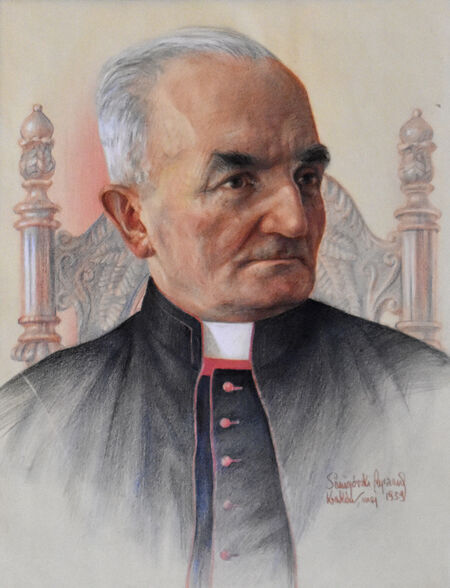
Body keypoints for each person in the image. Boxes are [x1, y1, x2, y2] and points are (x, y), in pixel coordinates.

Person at [0, 27, 448, 588]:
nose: (296, 220)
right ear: (134, 220)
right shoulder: (24, 430)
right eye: (238, 182)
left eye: (307, 177)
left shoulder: (429, 397)